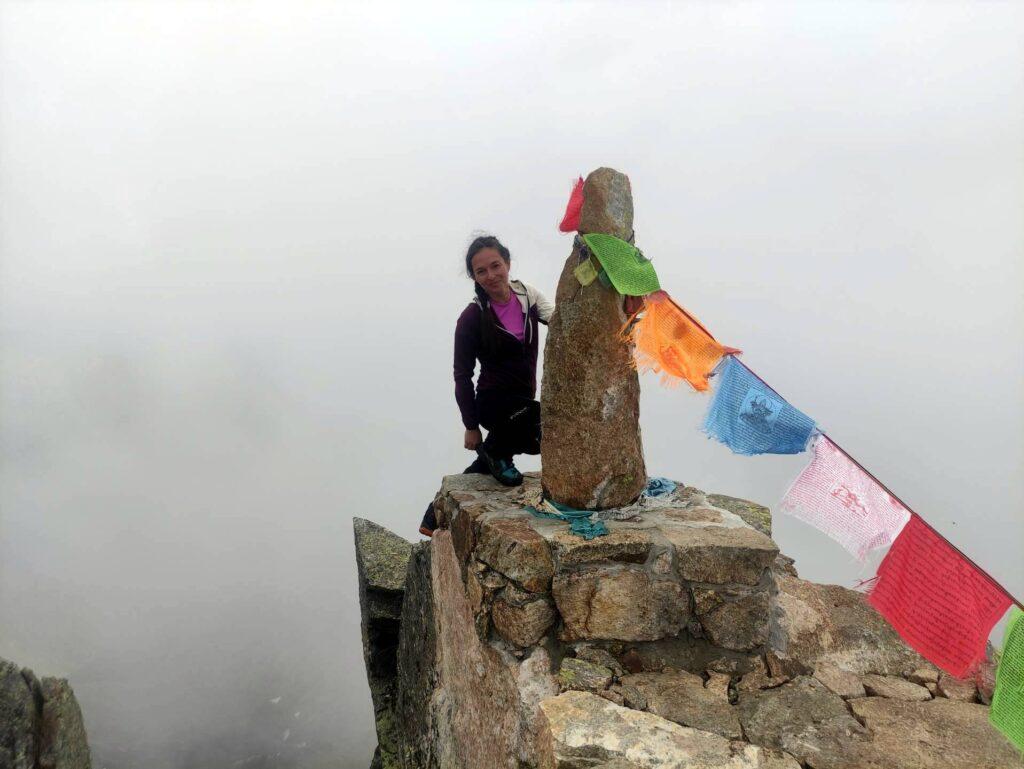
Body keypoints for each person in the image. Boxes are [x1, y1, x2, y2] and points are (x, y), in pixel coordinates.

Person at [419, 235, 554, 536]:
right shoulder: (472, 317)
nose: (491, 275)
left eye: (496, 266)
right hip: (493, 403)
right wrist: (470, 426)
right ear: (474, 277)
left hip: (522, 401)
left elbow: (560, 320)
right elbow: (461, 375)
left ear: (507, 262)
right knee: (545, 426)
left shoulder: (528, 296)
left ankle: (434, 515)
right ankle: (495, 454)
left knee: (499, 449)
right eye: (482, 271)